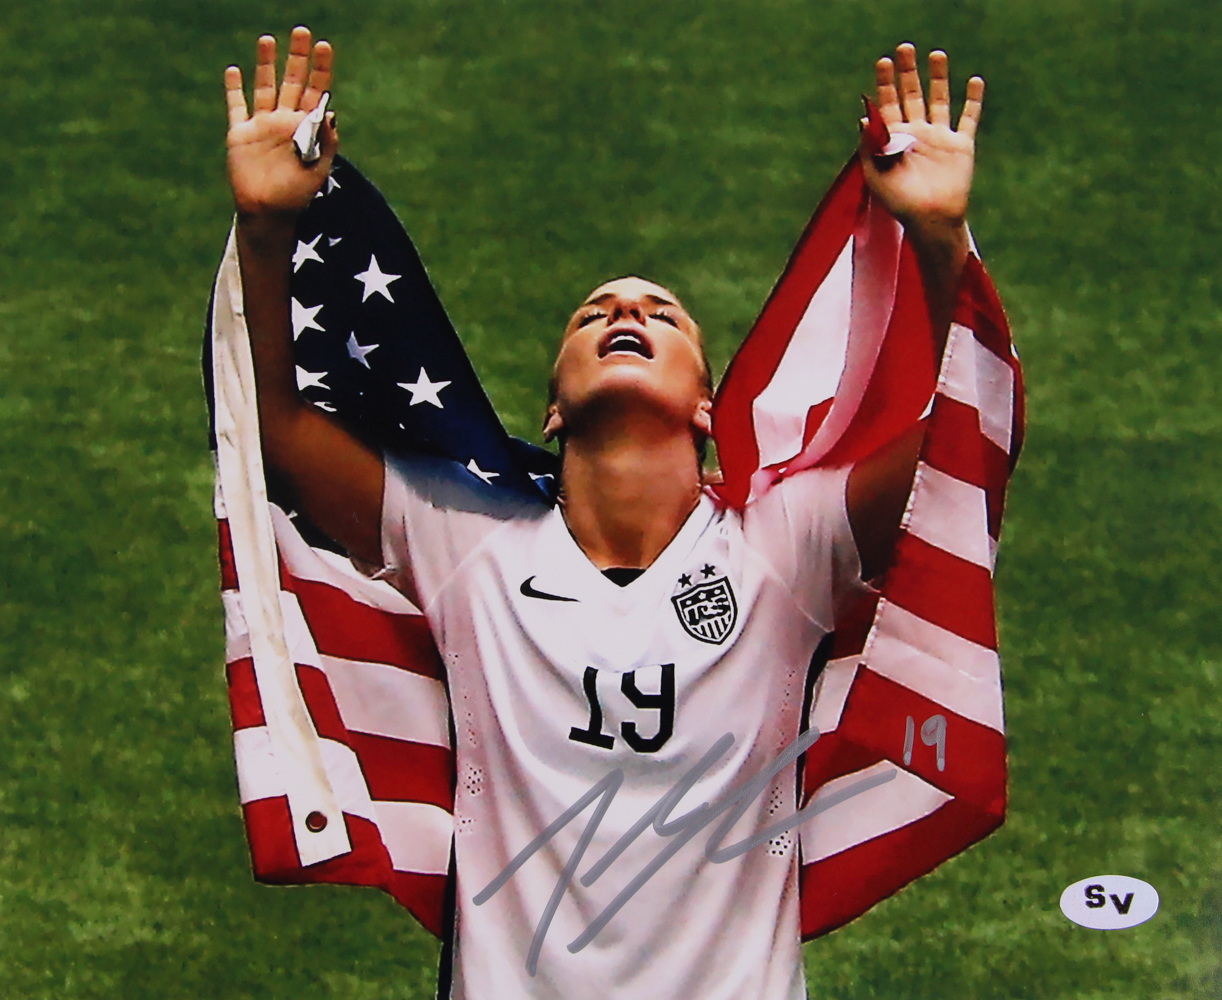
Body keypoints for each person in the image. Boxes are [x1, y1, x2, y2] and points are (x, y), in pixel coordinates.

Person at [224, 26, 985, 1000]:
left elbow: (960, 448)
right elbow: (282, 432)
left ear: (710, 408)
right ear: (551, 407)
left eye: (662, 314)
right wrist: (264, 228)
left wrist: (938, 238)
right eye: (595, 314)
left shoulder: (782, 549)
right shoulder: (466, 542)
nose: (627, 310)